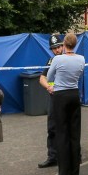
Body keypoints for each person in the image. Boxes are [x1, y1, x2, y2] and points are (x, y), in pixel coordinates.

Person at [45, 32, 85, 175]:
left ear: (64, 45)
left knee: (62, 133)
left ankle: (64, 174)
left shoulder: (57, 59)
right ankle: (75, 173)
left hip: (60, 96)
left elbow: (49, 78)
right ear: (75, 44)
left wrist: (54, 84)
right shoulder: (81, 59)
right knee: (74, 133)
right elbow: (79, 75)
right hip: (74, 94)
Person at [37, 34, 64, 168]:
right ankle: (52, 157)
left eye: (58, 47)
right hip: (53, 97)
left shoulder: (68, 59)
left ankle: (69, 156)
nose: (57, 50)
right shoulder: (51, 61)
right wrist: (48, 86)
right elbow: (42, 78)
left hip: (65, 97)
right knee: (52, 128)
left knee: (67, 127)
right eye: (54, 48)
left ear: (63, 46)